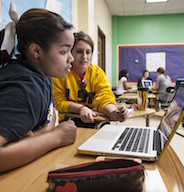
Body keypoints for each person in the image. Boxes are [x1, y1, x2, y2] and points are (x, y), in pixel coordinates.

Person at [0, 8, 77, 173]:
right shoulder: (26, 88)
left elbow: (52, 115)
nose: (71, 58)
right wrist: (55, 137)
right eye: (63, 51)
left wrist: (39, 135)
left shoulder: (43, 77)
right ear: (36, 51)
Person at [52, 31, 129, 127]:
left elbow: (104, 96)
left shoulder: (97, 73)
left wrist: (112, 112)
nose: (84, 57)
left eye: (88, 52)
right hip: (69, 121)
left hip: (96, 120)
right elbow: (59, 102)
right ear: (70, 53)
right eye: (79, 52)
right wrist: (80, 109)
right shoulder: (60, 73)